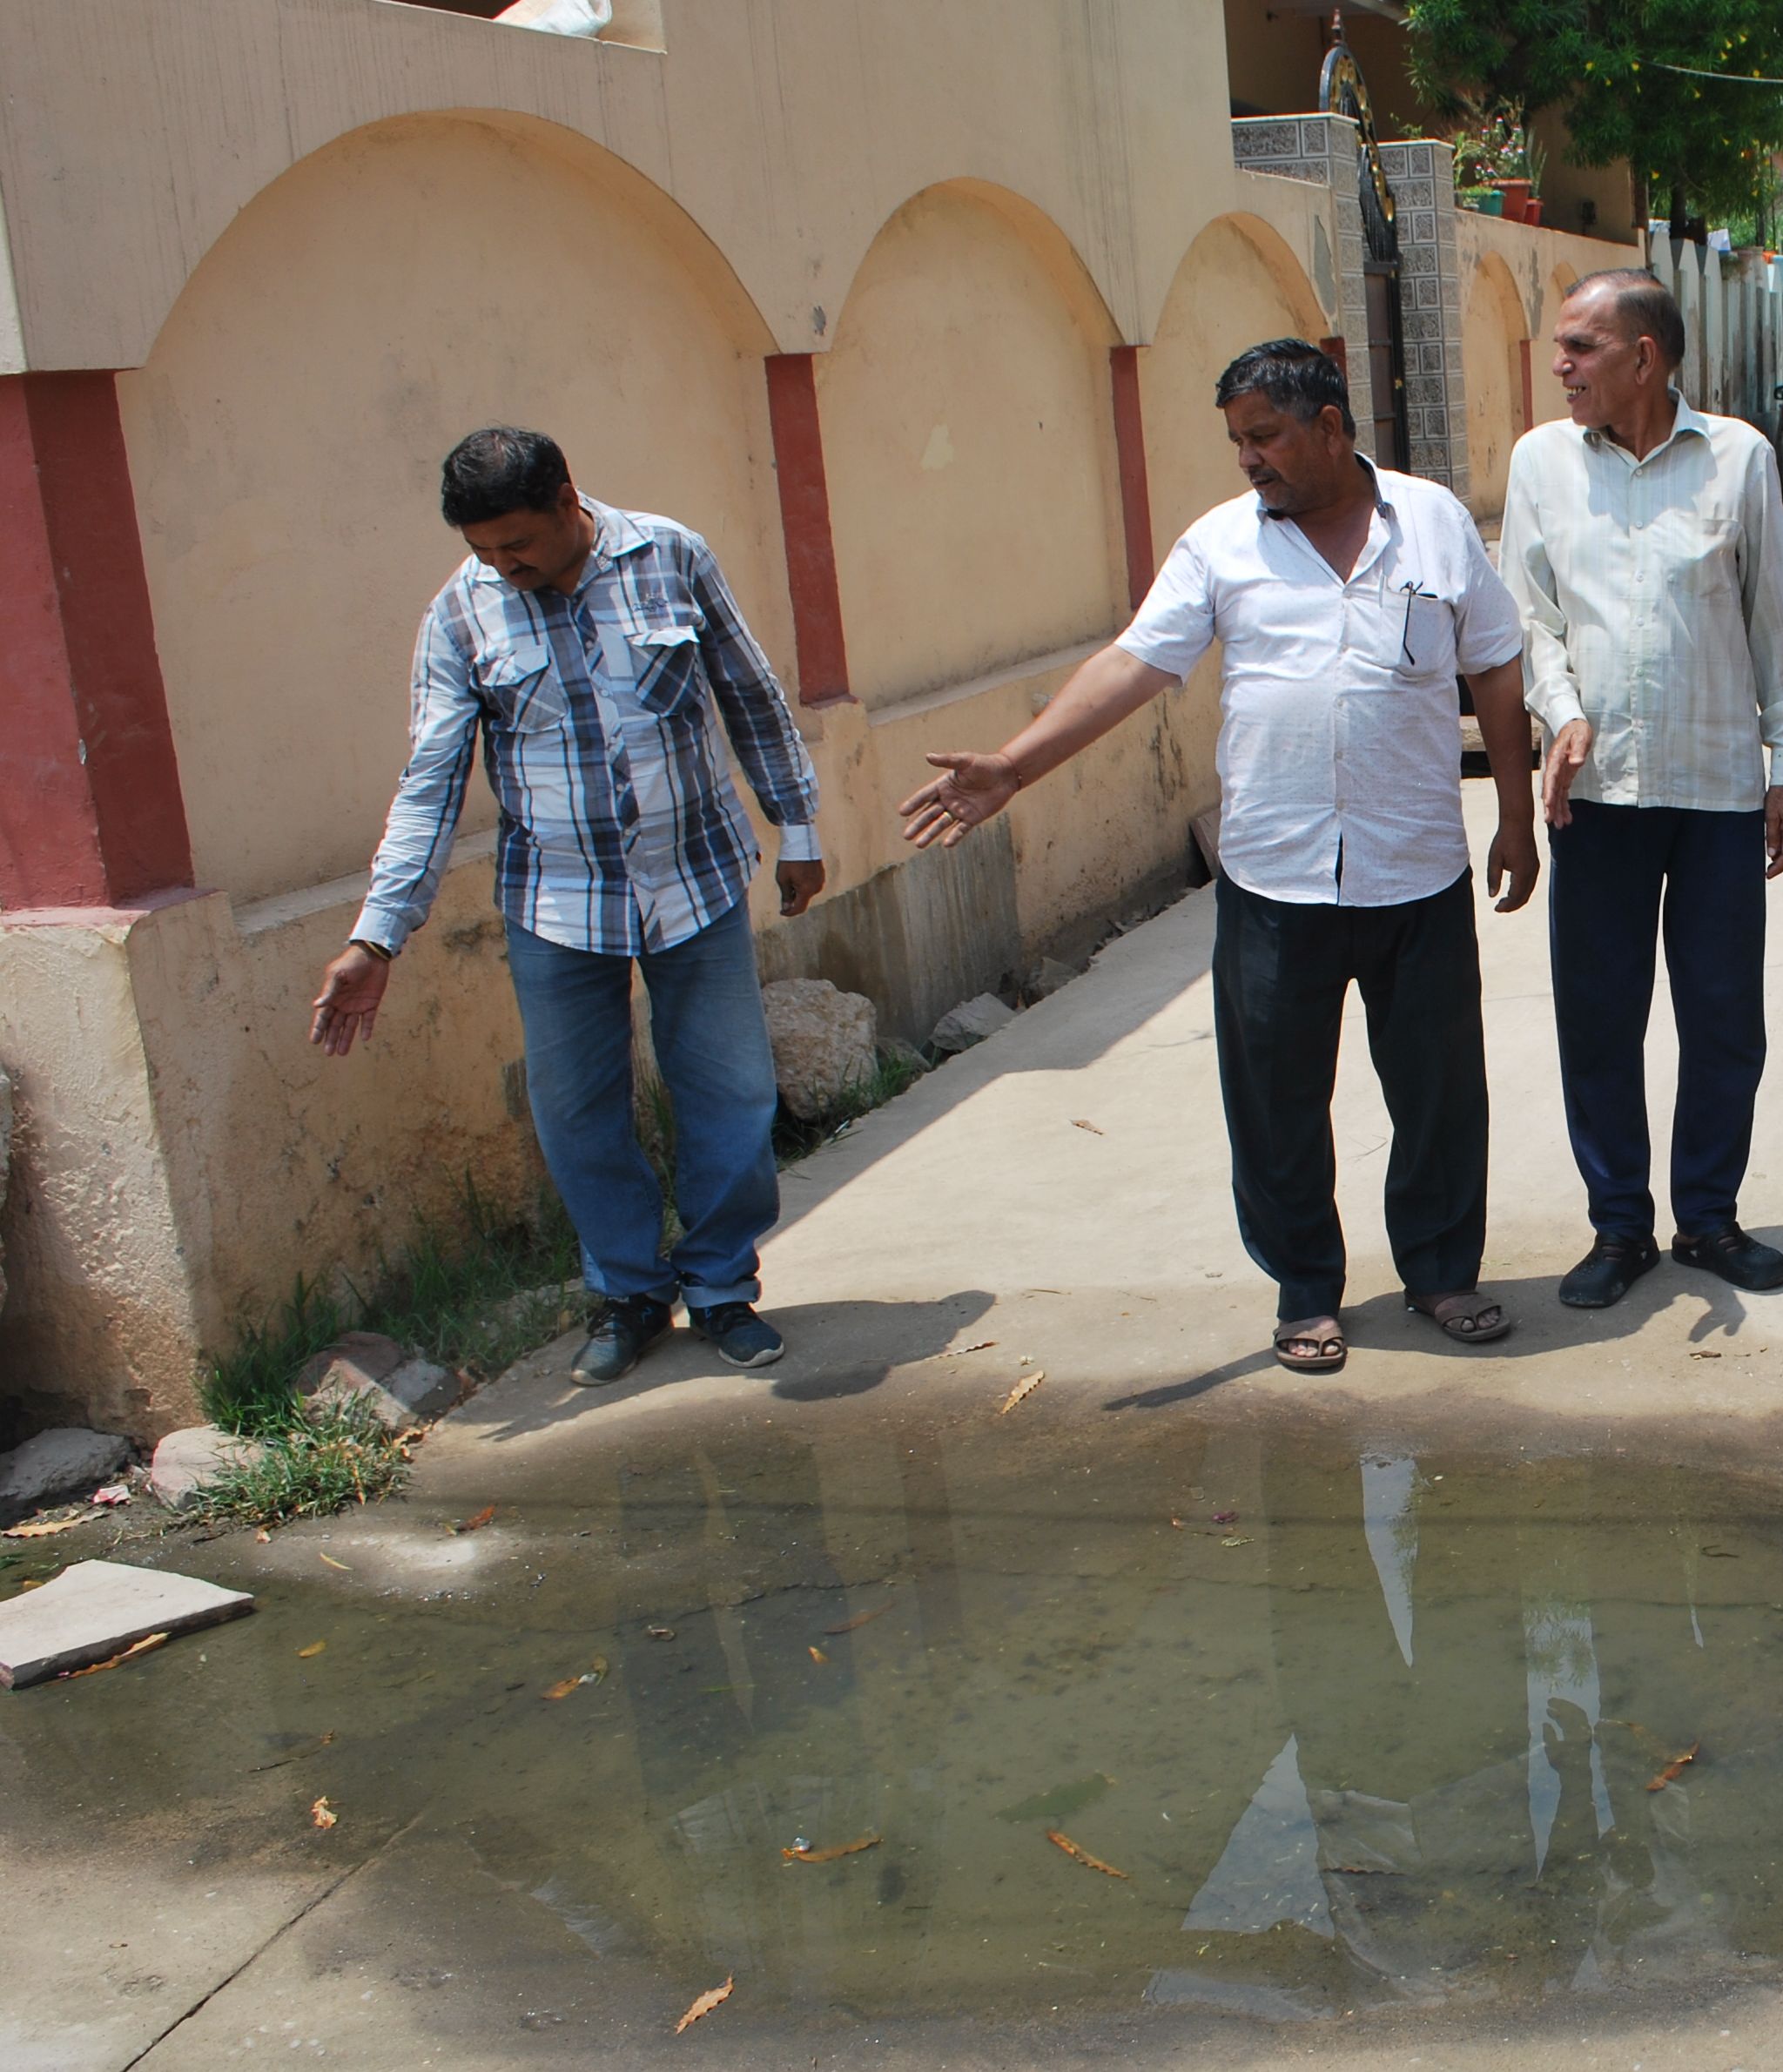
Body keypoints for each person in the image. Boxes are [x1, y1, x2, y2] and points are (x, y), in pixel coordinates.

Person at [898, 340, 1540, 1375]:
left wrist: (1513, 814)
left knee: (1436, 1089)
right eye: (1237, 441)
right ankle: (1304, 1288)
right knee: (1276, 1096)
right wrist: (1015, 766)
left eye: (1263, 436)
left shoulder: (1432, 521)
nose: (1247, 459)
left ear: (1328, 425)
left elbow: (1495, 667)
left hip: (1416, 866)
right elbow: (1133, 664)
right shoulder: (1219, 546)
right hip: (1273, 879)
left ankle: (1439, 1273)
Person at [308, 427, 825, 1383]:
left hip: (696, 877)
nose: (504, 567)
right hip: (557, 903)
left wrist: (796, 825)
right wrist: (378, 934)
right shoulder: (462, 615)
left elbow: (749, 693)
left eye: (517, 545)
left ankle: (720, 1288)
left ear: (566, 500)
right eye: (483, 553)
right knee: (578, 1112)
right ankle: (627, 1292)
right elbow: (429, 780)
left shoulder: (671, 553)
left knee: (733, 1093)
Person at [1503, 270, 1783, 1308]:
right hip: (1595, 796)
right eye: (1561, 347)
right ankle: (1618, 1226)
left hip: (1718, 790)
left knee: (1722, 1016)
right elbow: (1530, 617)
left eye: (1580, 347)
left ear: (1645, 356)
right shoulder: (1541, 462)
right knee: (1599, 1020)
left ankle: (1710, 1219)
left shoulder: (1737, 457)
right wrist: (1561, 708)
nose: (1562, 367)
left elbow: (1776, 629)